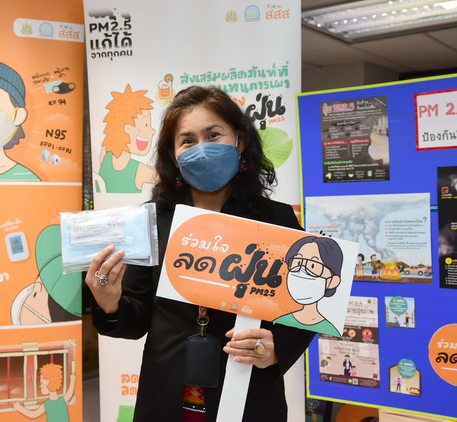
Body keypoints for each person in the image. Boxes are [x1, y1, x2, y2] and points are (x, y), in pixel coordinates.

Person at [85, 86, 316, 421]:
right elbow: (134, 322)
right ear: (173, 154)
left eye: (213, 135)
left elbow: (306, 306)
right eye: (188, 140)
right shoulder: (151, 221)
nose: (202, 148)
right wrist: (109, 302)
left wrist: (276, 347)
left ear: (240, 142)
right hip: (166, 394)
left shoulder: (275, 220)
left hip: (247, 390)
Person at [272, 235, 343, 337]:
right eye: (298, 262)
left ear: (333, 281)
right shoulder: (280, 320)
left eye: (313, 265)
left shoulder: (329, 330)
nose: (301, 271)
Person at [98, 84, 156, 192]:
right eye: (146, 125)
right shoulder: (139, 170)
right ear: (128, 128)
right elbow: (170, 177)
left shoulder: (105, 155)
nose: (153, 131)